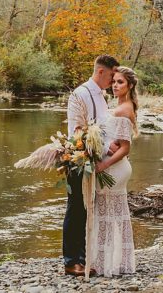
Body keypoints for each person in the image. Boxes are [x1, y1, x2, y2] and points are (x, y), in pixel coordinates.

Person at [62, 55, 119, 276]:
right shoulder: (80, 94)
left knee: (88, 210)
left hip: (94, 161)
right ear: (101, 71)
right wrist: (105, 149)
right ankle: (71, 261)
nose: (114, 80)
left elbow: (102, 129)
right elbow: (77, 131)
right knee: (76, 209)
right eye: (112, 75)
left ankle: (83, 259)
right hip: (78, 159)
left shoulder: (102, 96)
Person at [89, 66, 140, 276]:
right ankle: (111, 261)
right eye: (114, 81)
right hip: (115, 165)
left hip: (114, 168)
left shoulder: (123, 109)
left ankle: (105, 263)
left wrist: (103, 165)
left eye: (120, 82)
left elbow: (126, 148)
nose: (115, 85)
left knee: (107, 214)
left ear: (129, 86)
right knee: (112, 214)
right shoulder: (118, 105)